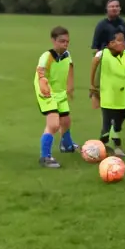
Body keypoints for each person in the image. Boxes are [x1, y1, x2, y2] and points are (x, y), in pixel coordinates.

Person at [91, 29, 125, 157]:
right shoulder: (102, 54)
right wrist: (93, 87)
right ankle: (112, 146)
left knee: (121, 118)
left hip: (121, 95)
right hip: (107, 94)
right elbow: (94, 65)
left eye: (123, 40)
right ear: (110, 43)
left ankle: (101, 143)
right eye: (119, 41)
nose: (123, 43)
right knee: (107, 122)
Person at [35, 26, 76, 167]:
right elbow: (40, 72)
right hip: (46, 92)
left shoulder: (67, 55)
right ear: (53, 41)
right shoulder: (47, 56)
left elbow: (70, 67)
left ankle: (67, 145)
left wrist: (70, 86)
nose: (65, 44)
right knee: (53, 124)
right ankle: (45, 157)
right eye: (61, 41)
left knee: (66, 121)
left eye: (67, 41)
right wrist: (42, 83)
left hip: (60, 92)